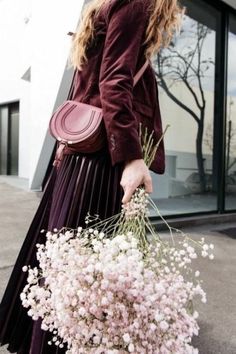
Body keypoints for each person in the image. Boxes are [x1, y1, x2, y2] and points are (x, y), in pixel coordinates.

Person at [0, 0, 182, 352]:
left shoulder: (108, 6)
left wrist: (63, 146)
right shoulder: (137, 3)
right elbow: (114, 81)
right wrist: (131, 158)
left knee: (65, 264)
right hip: (101, 161)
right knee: (86, 273)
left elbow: (85, 85)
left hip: (81, 155)